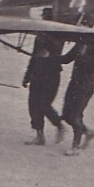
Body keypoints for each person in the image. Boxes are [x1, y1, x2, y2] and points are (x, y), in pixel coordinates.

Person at [22, 12, 72, 144]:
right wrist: (27, 76)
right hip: (37, 74)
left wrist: (47, 54)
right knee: (33, 105)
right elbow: (34, 56)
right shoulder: (41, 37)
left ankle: (59, 125)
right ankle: (40, 136)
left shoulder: (57, 36)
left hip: (50, 75)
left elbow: (54, 54)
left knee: (43, 105)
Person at [61, 40, 94, 155]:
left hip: (85, 86)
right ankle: (87, 132)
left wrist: (81, 57)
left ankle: (76, 146)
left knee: (75, 115)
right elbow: (67, 58)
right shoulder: (80, 43)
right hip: (74, 83)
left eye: (83, 24)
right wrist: (50, 58)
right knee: (66, 115)